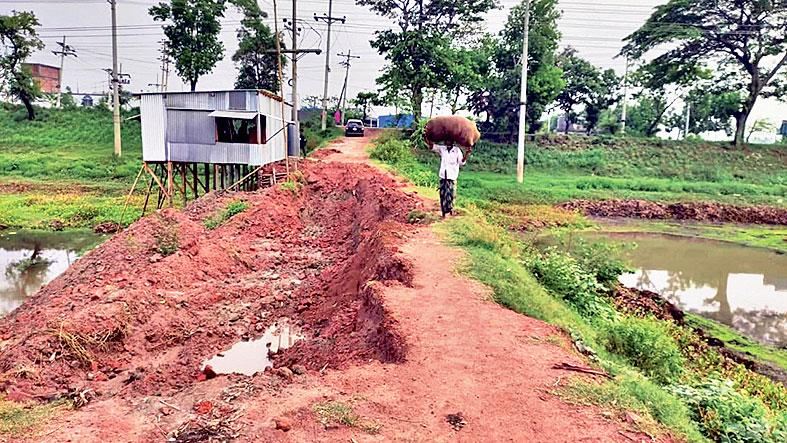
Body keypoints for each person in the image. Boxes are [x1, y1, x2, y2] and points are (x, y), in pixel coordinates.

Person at [431, 142, 468, 217]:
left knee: (451, 194)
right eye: (446, 141)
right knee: (442, 194)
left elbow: (461, 162)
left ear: (453, 142)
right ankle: (443, 212)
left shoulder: (457, 150)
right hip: (443, 176)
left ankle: (450, 210)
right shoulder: (442, 149)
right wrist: (425, 136)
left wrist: (467, 154)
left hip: (452, 176)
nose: (447, 142)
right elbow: (432, 147)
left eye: (449, 140)